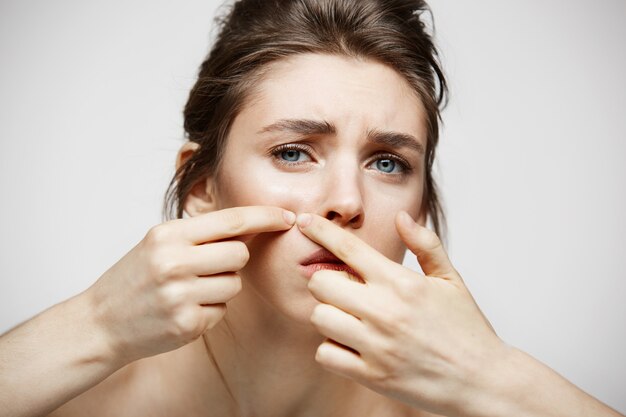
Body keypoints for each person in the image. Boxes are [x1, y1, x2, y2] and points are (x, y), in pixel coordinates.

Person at [0, 0, 623, 416]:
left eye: (388, 163)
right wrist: (96, 326)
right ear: (200, 186)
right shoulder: (74, 398)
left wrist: (496, 377)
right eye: (295, 152)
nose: (348, 202)